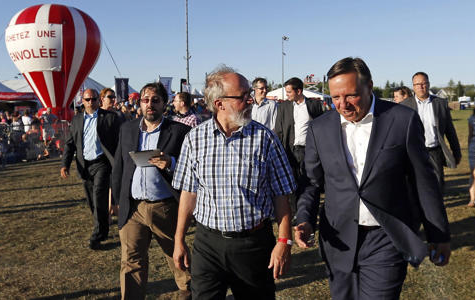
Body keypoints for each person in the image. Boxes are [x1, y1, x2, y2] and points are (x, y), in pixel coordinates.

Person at [294, 57, 451, 300]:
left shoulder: (402, 120)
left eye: (350, 96)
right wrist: (304, 218)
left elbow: (424, 182)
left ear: (369, 86)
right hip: (338, 239)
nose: (342, 105)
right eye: (335, 97)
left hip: (385, 238)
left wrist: (438, 234)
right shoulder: (320, 128)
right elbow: (311, 182)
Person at [172, 66, 296, 300]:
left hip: (253, 245)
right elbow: (189, 194)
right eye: (243, 96)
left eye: (250, 94)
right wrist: (179, 239)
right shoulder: (194, 140)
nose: (250, 100)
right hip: (208, 245)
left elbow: (282, 195)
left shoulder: (265, 139)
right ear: (219, 104)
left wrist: (283, 241)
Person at [111, 82, 192, 299]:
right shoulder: (127, 128)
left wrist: (172, 163)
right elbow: (119, 165)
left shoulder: (179, 131)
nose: (150, 105)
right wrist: (115, 197)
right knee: (131, 261)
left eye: (155, 100)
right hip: (133, 208)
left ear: (165, 104)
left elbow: (194, 168)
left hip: (166, 207)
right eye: (145, 100)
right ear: (140, 103)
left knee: (177, 256)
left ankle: (190, 292)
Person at [60, 88, 120, 250]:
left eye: (93, 99)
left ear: (98, 100)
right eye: (87, 100)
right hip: (84, 165)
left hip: (102, 163)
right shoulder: (77, 120)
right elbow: (70, 144)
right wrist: (65, 164)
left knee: (99, 197)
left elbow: (119, 141)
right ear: (82, 101)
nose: (90, 102)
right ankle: (103, 229)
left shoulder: (110, 118)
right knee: (91, 200)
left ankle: (97, 235)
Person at [400, 72, 462, 192]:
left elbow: (450, 131)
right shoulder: (404, 106)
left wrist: (456, 152)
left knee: (437, 184)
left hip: (434, 151)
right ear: (413, 86)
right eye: (417, 84)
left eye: (424, 83)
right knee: (413, 185)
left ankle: (436, 207)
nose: (421, 86)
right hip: (413, 153)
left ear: (428, 84)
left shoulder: (440, 104)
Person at [274, 77, 323, 219]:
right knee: (292, 184)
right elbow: (279, 130)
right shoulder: (283, 107)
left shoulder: (314, 106)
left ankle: (307, 215)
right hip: (290, 151)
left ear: (299, 91)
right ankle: (295, 214)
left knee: (309, 184)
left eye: (289, 92)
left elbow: (321, 127)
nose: (287, 94)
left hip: (309, 151)